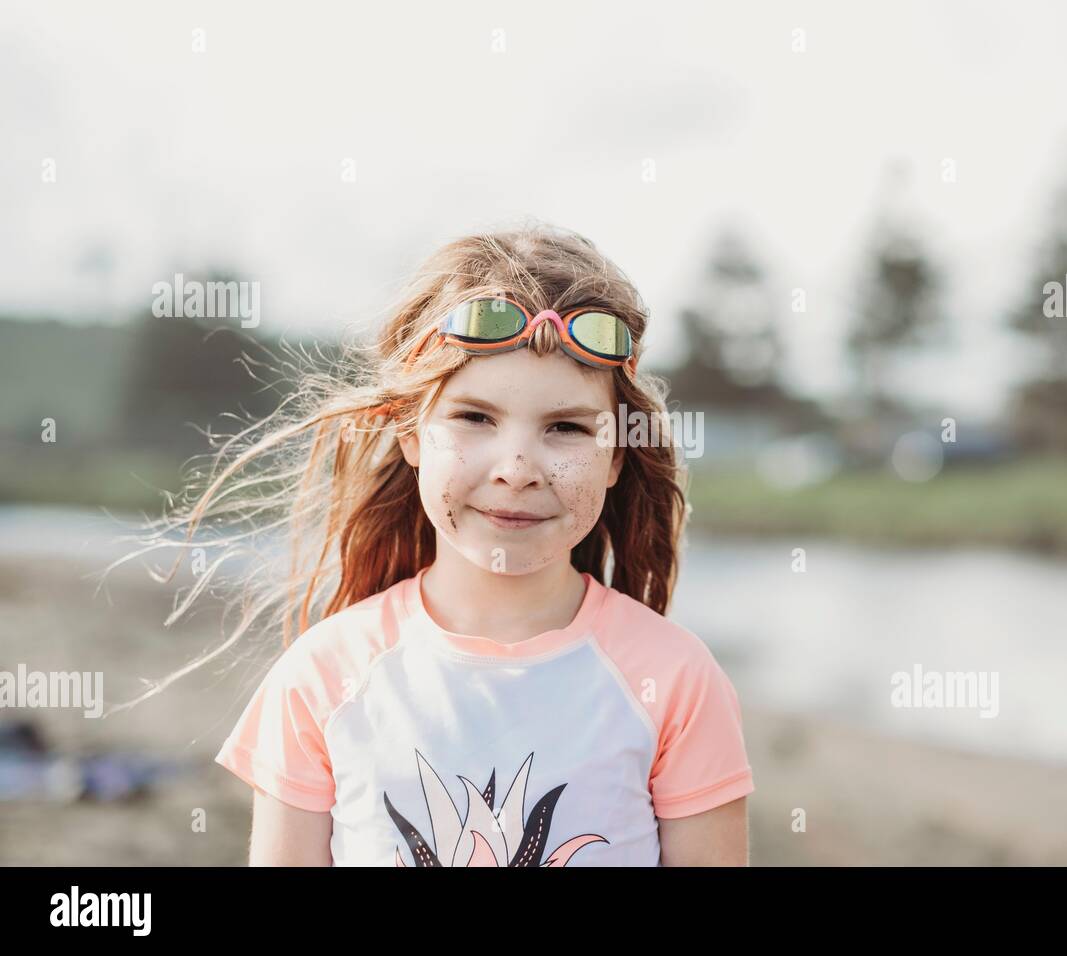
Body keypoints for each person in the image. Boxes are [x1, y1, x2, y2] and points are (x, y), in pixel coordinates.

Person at [166, 223, 752, 865]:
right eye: (475, 418)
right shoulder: (323, 678)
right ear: (411, 434)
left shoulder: (676, 681)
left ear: (616, 456)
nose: (518, 467)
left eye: (566, 427)